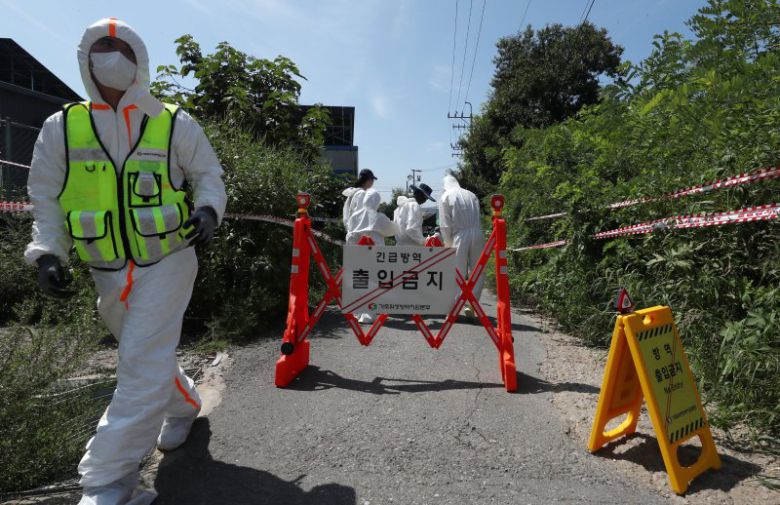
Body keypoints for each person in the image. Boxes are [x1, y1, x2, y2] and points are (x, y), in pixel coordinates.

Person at [24, 18, 227, 505]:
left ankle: (107, 482)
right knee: (145, 359)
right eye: (101, 46)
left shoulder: (174, 121)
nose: (110, 56)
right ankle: (185, 405)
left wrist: (207, 209)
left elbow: (207, 175)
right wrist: (48, 252)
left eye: (120, 47)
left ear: (139, 59)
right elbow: (44, 196)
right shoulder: (62, 127)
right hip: (106, 266)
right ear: (84, 58)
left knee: (137, 366)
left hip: (170, 259)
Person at [438, 174, 485, 317]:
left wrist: (447, 242)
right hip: (477, 233)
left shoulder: (446, 196)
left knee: (457, 272)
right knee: (477, 270)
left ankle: (454, 308)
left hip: (460, 235)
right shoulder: (471, 194)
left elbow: (445, 224)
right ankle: (472, 303)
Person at [342, 168, 377, 240]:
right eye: (372, 180)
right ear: (368, 180)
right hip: (359, 238)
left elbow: (345, 218)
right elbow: (362, 218)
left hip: (352, 234)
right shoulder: (362, 194)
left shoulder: (352, 193)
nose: (372, 183)